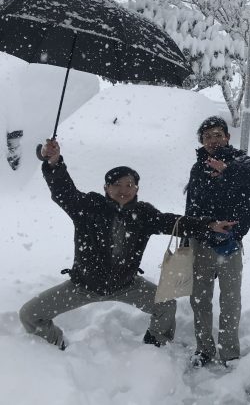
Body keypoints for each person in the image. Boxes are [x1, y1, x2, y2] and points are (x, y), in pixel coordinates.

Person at [19, 139, 235, 350]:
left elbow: (174, 222)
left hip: (127, 285)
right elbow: (64, 192)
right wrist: (54, 163)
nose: (124, 189)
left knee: (167, 304)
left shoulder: (143, 214)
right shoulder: (89, 206)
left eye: (129, 185)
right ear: (106, 187)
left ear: (137, 188)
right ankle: (55, 346)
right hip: (83, 285)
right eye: (117, 184)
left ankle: (155, 347)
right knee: (29, 314)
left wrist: (209, 225)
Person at [185, 116, 250, 368]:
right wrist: (188, 236)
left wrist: (227, 169)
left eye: (218, 135)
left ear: (227, 137)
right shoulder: (197, 168)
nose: (213, 140)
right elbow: (191, 206)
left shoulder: (241, 161)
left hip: (230, 243)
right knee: (200, 299)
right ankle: (204, 349)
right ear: (202, 141)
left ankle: (229, 352)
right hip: (201, 242)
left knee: (230, 300)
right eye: (207, 137)